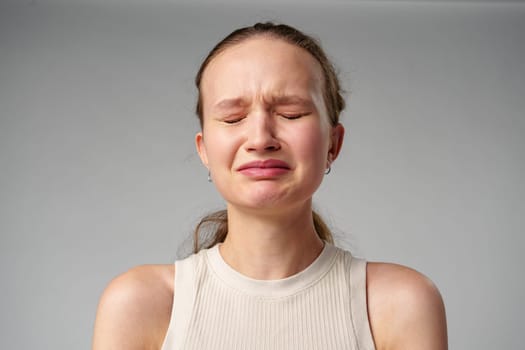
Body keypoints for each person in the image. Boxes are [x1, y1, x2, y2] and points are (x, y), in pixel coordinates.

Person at [92, 22, 447, 350]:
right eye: (233, 118)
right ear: (204, 150)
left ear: (332, 145)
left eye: (291, 114)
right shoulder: (139, 303)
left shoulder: (400, 303)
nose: (260, 139)